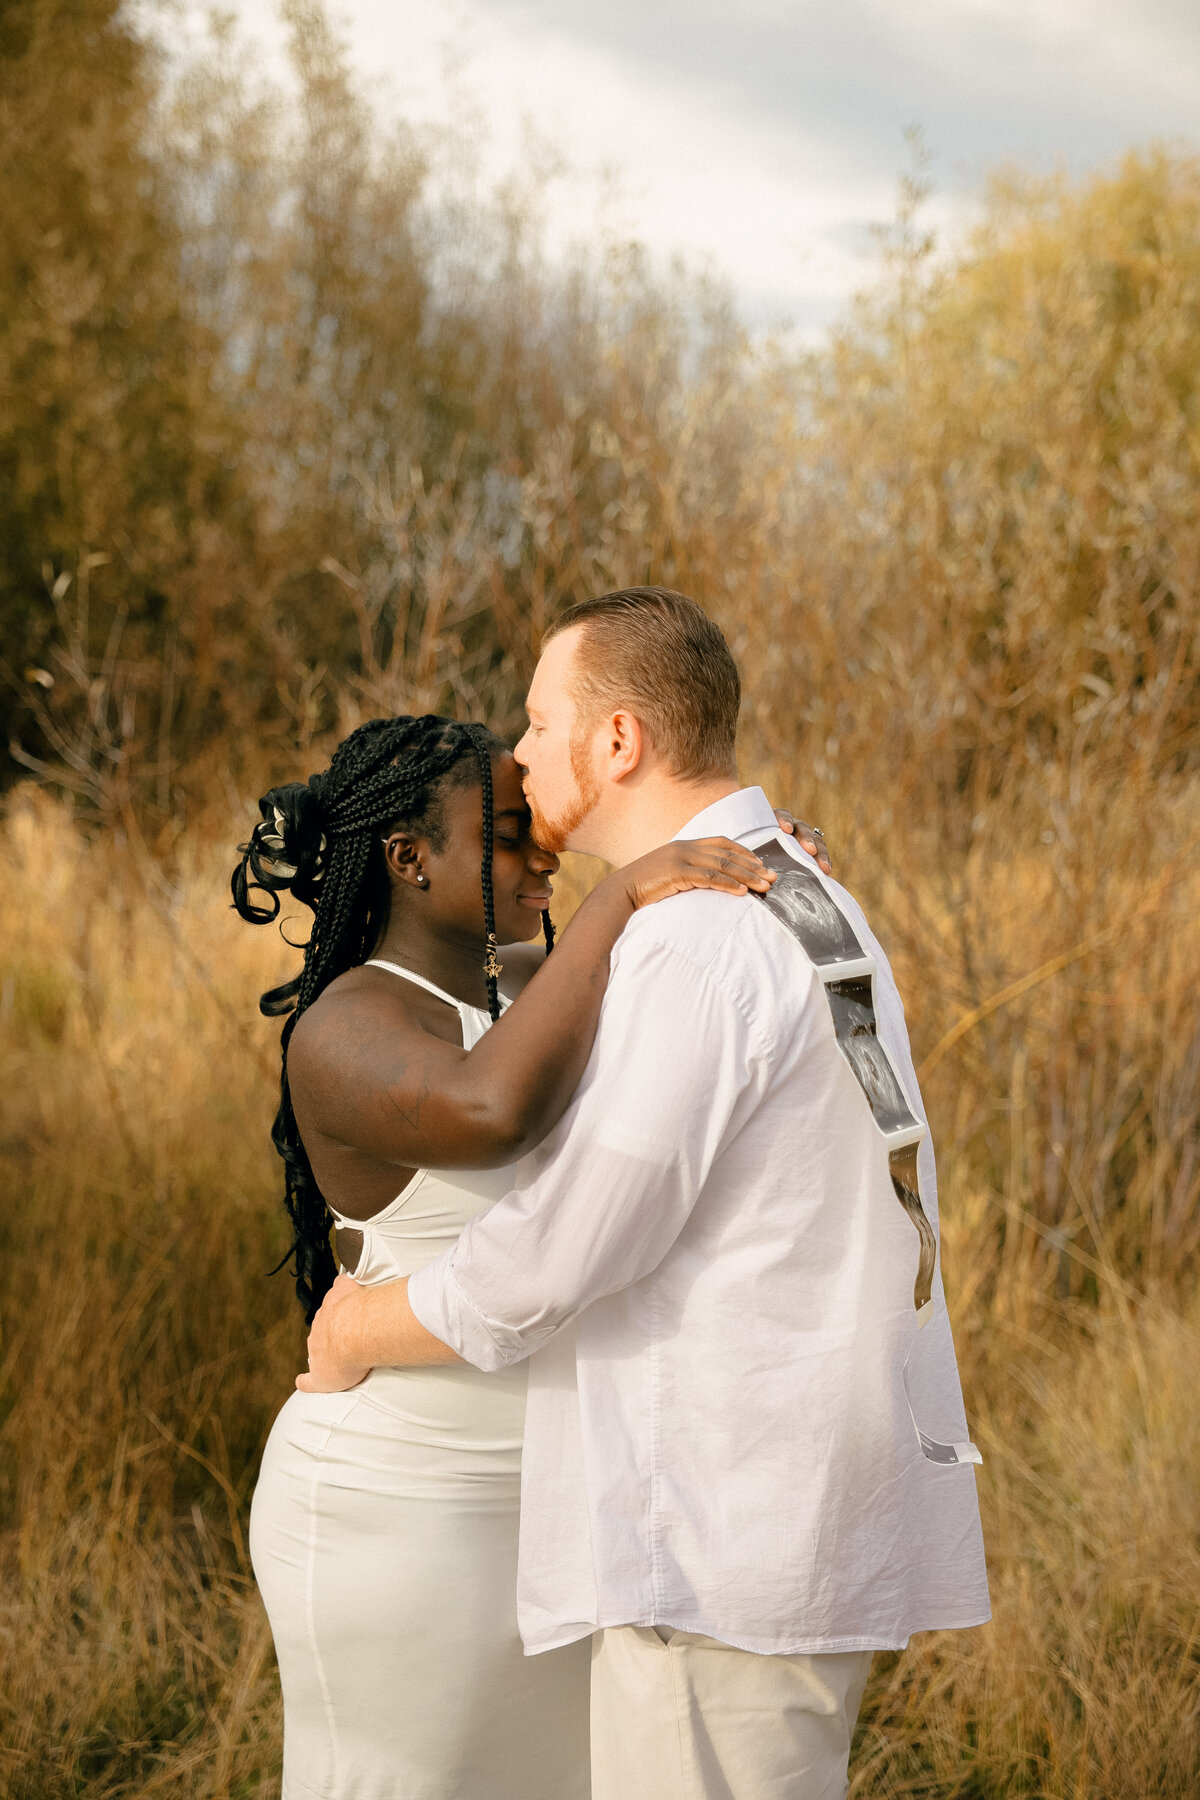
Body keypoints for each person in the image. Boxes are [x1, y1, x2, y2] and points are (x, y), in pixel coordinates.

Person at [302, 589, 991, 1800]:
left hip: (717, 1534)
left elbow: (564, 1252)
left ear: (617, 742)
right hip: (787, 1503)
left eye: (536, 721)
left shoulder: (698, 943)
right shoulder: (796, 891)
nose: (515, 755)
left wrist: (360, 1322)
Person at [233, 710, 787, 1800]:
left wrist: (755, 855)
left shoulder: (523, 985)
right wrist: (619, 894)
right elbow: (492, 1111)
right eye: (506, 833)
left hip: (556, 1504)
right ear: (408, 858)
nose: (545, 851)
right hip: (404, 1506)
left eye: (539, 827)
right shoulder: (346, 1027)